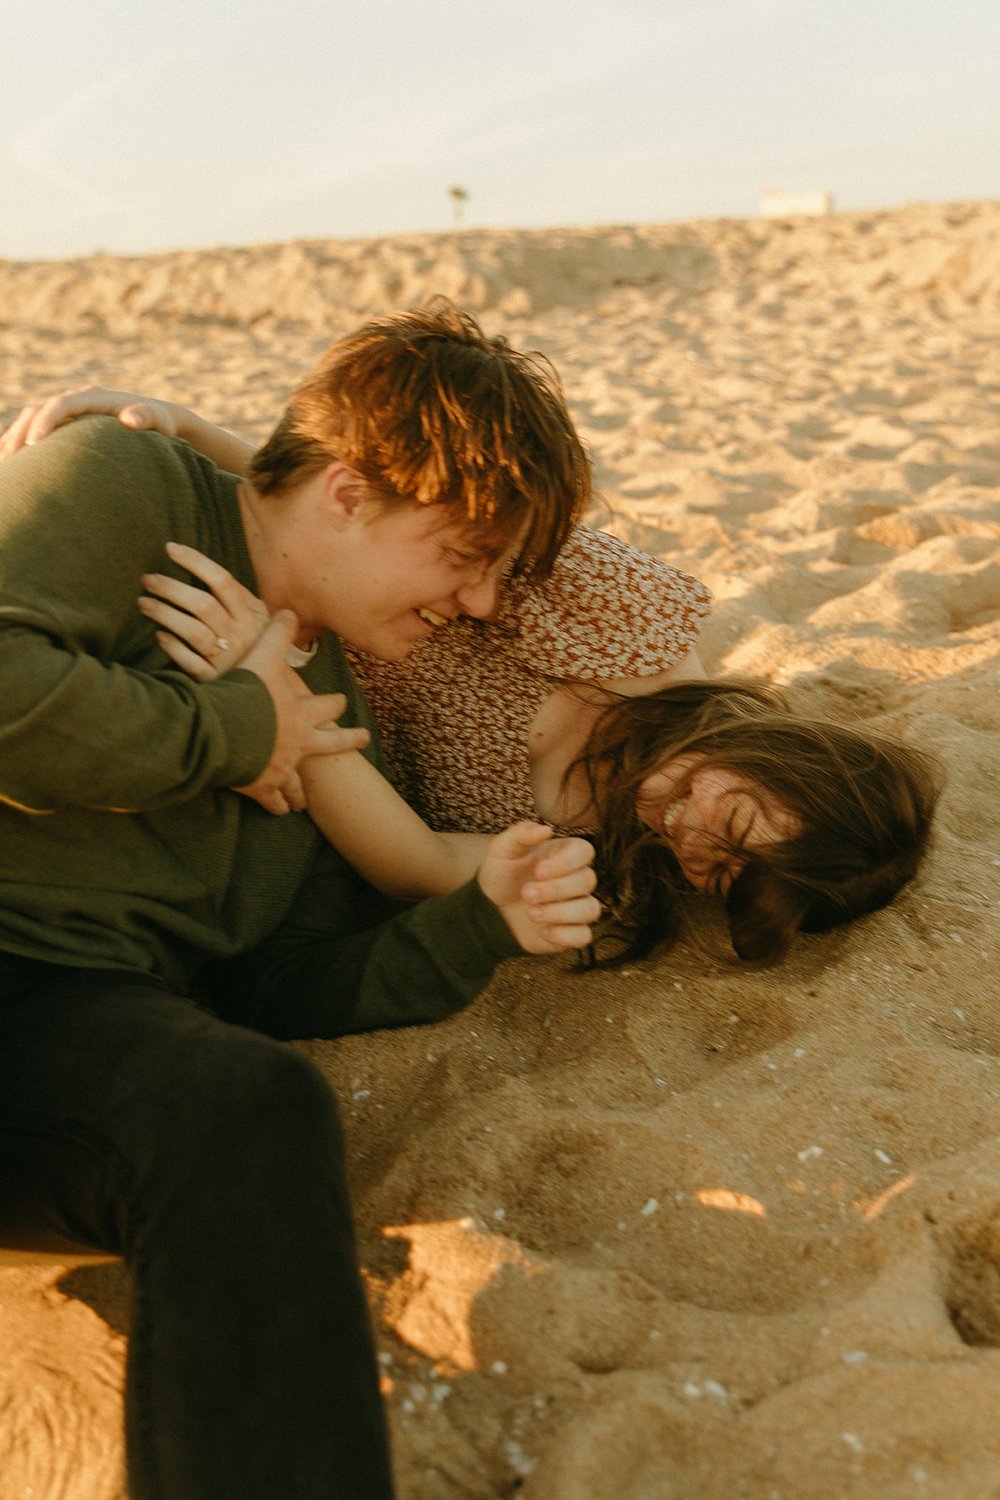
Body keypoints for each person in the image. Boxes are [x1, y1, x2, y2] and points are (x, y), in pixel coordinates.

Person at [0, 303, 603, 1500]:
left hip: (64, 1045)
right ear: (346, 491)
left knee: (246, 1105)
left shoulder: (335, 712)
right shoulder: (127, 481)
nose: (480, 604)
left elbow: (271, 977)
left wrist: (472, 920)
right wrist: (233, 728)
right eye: (465, 553)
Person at [1, 380, 941, 969]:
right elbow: (416, 520)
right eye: (731, 823)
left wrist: (271, 685)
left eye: (723, 877)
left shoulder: (605, 868)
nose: (693, 845)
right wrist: (196, 435)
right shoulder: (624, 623)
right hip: (310, 586)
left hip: (284, 675)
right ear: (780, 752)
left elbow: (412, 862)